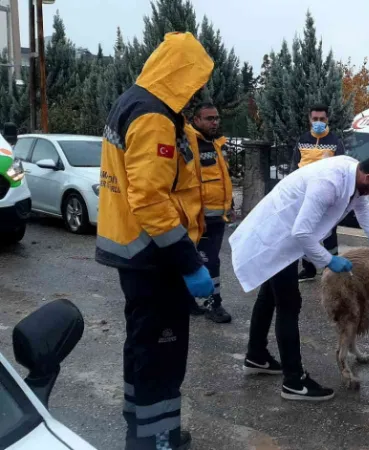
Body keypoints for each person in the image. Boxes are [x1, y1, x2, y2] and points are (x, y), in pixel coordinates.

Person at [95, 32, 214, 450]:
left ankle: (143, 430)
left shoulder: (135, 101)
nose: (197, 89)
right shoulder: (153, 116)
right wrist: (189, 262)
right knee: (162, 355)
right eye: (195, 79)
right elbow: (149, 198)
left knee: (143, 349)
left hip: (139, 253)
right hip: (154, 257)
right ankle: (155, 439)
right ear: (181, 72)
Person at [230, 151, 369, 401]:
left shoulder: (355, 176)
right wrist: (328, 260)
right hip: (277, 238)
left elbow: (363, 211)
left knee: (269, 297)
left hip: (285, 237)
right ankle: (293, 381)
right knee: (289, 304)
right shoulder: (329, 182)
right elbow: (301, 232)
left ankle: (256, 356)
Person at [187, 102, 234, 324]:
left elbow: (222, 179)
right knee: (209, 261)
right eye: (209, 118)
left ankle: (189, 299)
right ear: (196, 120)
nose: (214, 122)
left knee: (202, 259)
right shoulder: (190, 144)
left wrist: (230, 206)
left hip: (217, 217)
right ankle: (213, 303)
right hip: (200, 218)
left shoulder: (217, 144)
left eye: (216, 118)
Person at [290, 104, 347, 282]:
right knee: (306, 231)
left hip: (327, 196)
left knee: (329, 232)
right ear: (309, 119)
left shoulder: (335, 142)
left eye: (322, 119)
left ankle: (334, 271)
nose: (318, 122)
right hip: (304, 194)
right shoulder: (302, 140)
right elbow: (294, 166)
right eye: (315, 119)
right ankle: (308, 269)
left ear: (327, 119)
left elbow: (342, 169)